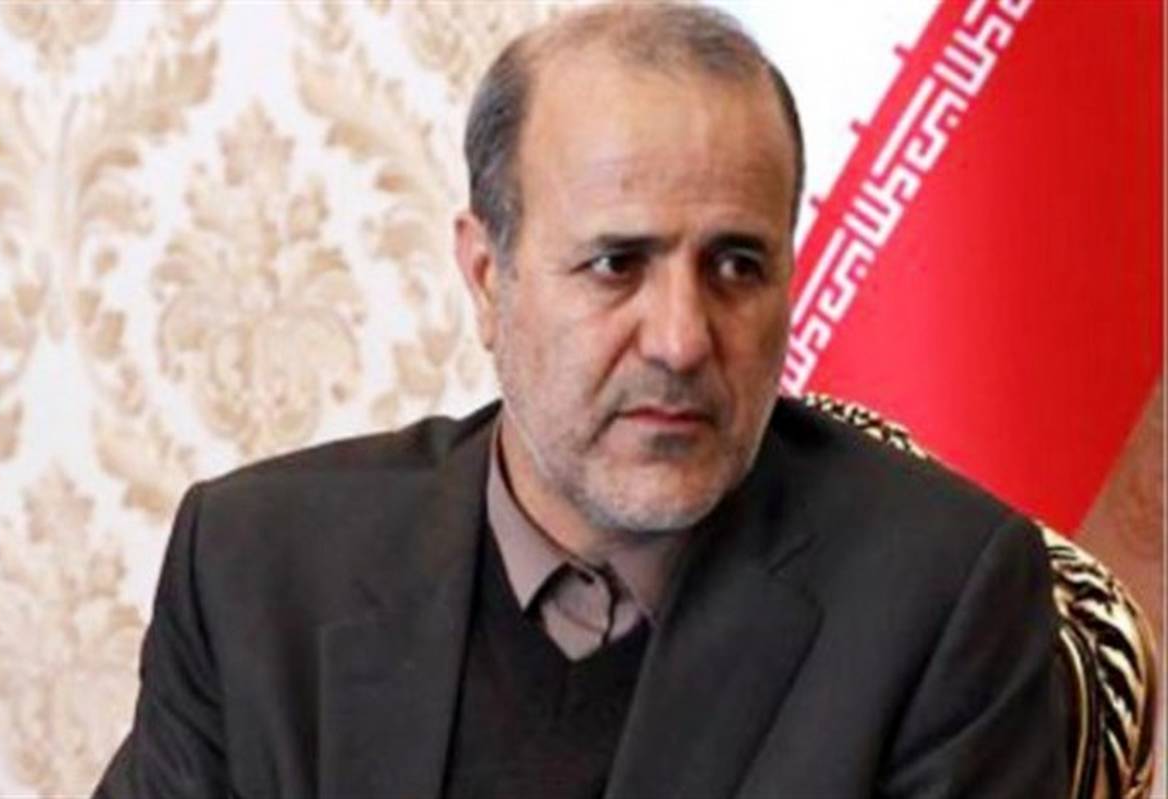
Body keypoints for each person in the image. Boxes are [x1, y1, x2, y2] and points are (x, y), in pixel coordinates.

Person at [95, 4, 1067, 797]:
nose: (682, 339)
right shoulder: (257, 569)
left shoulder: (937, 598)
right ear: (488, 277)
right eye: (616, 263)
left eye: (737, 264)